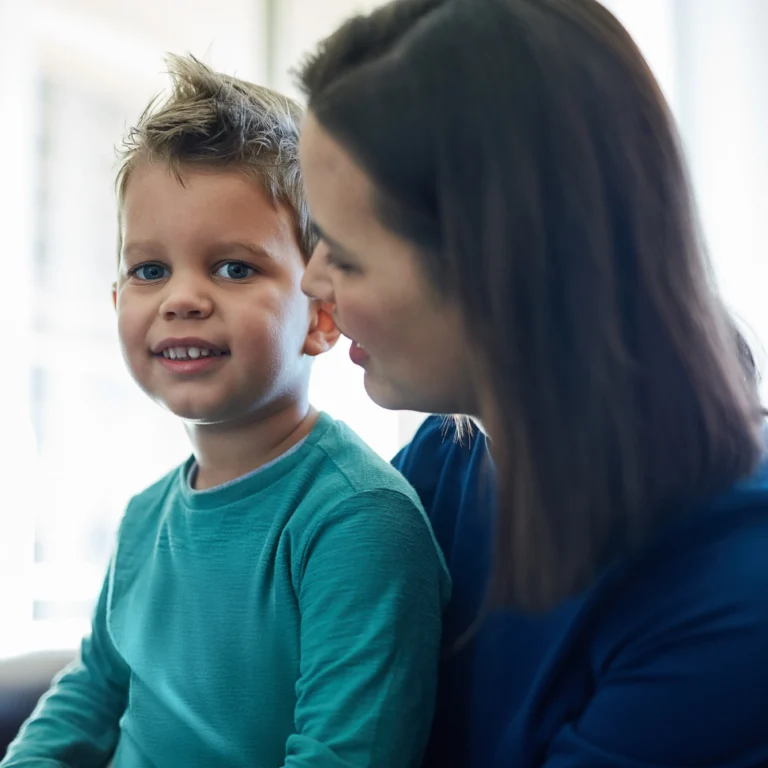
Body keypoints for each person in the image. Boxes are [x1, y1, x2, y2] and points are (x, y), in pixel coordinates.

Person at [297, 0, 768, 766]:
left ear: (504, 275)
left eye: (345, 257)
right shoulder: (439, 471)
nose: (312, 283)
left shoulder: (734, 592)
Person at [2, 55, 450, 768]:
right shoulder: (146, 517)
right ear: (119, 304)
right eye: (149, 270)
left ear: (323, 316)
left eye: (234, 267)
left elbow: (344, 756)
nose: (182, 298)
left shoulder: (359, 522)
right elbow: (90, 694)